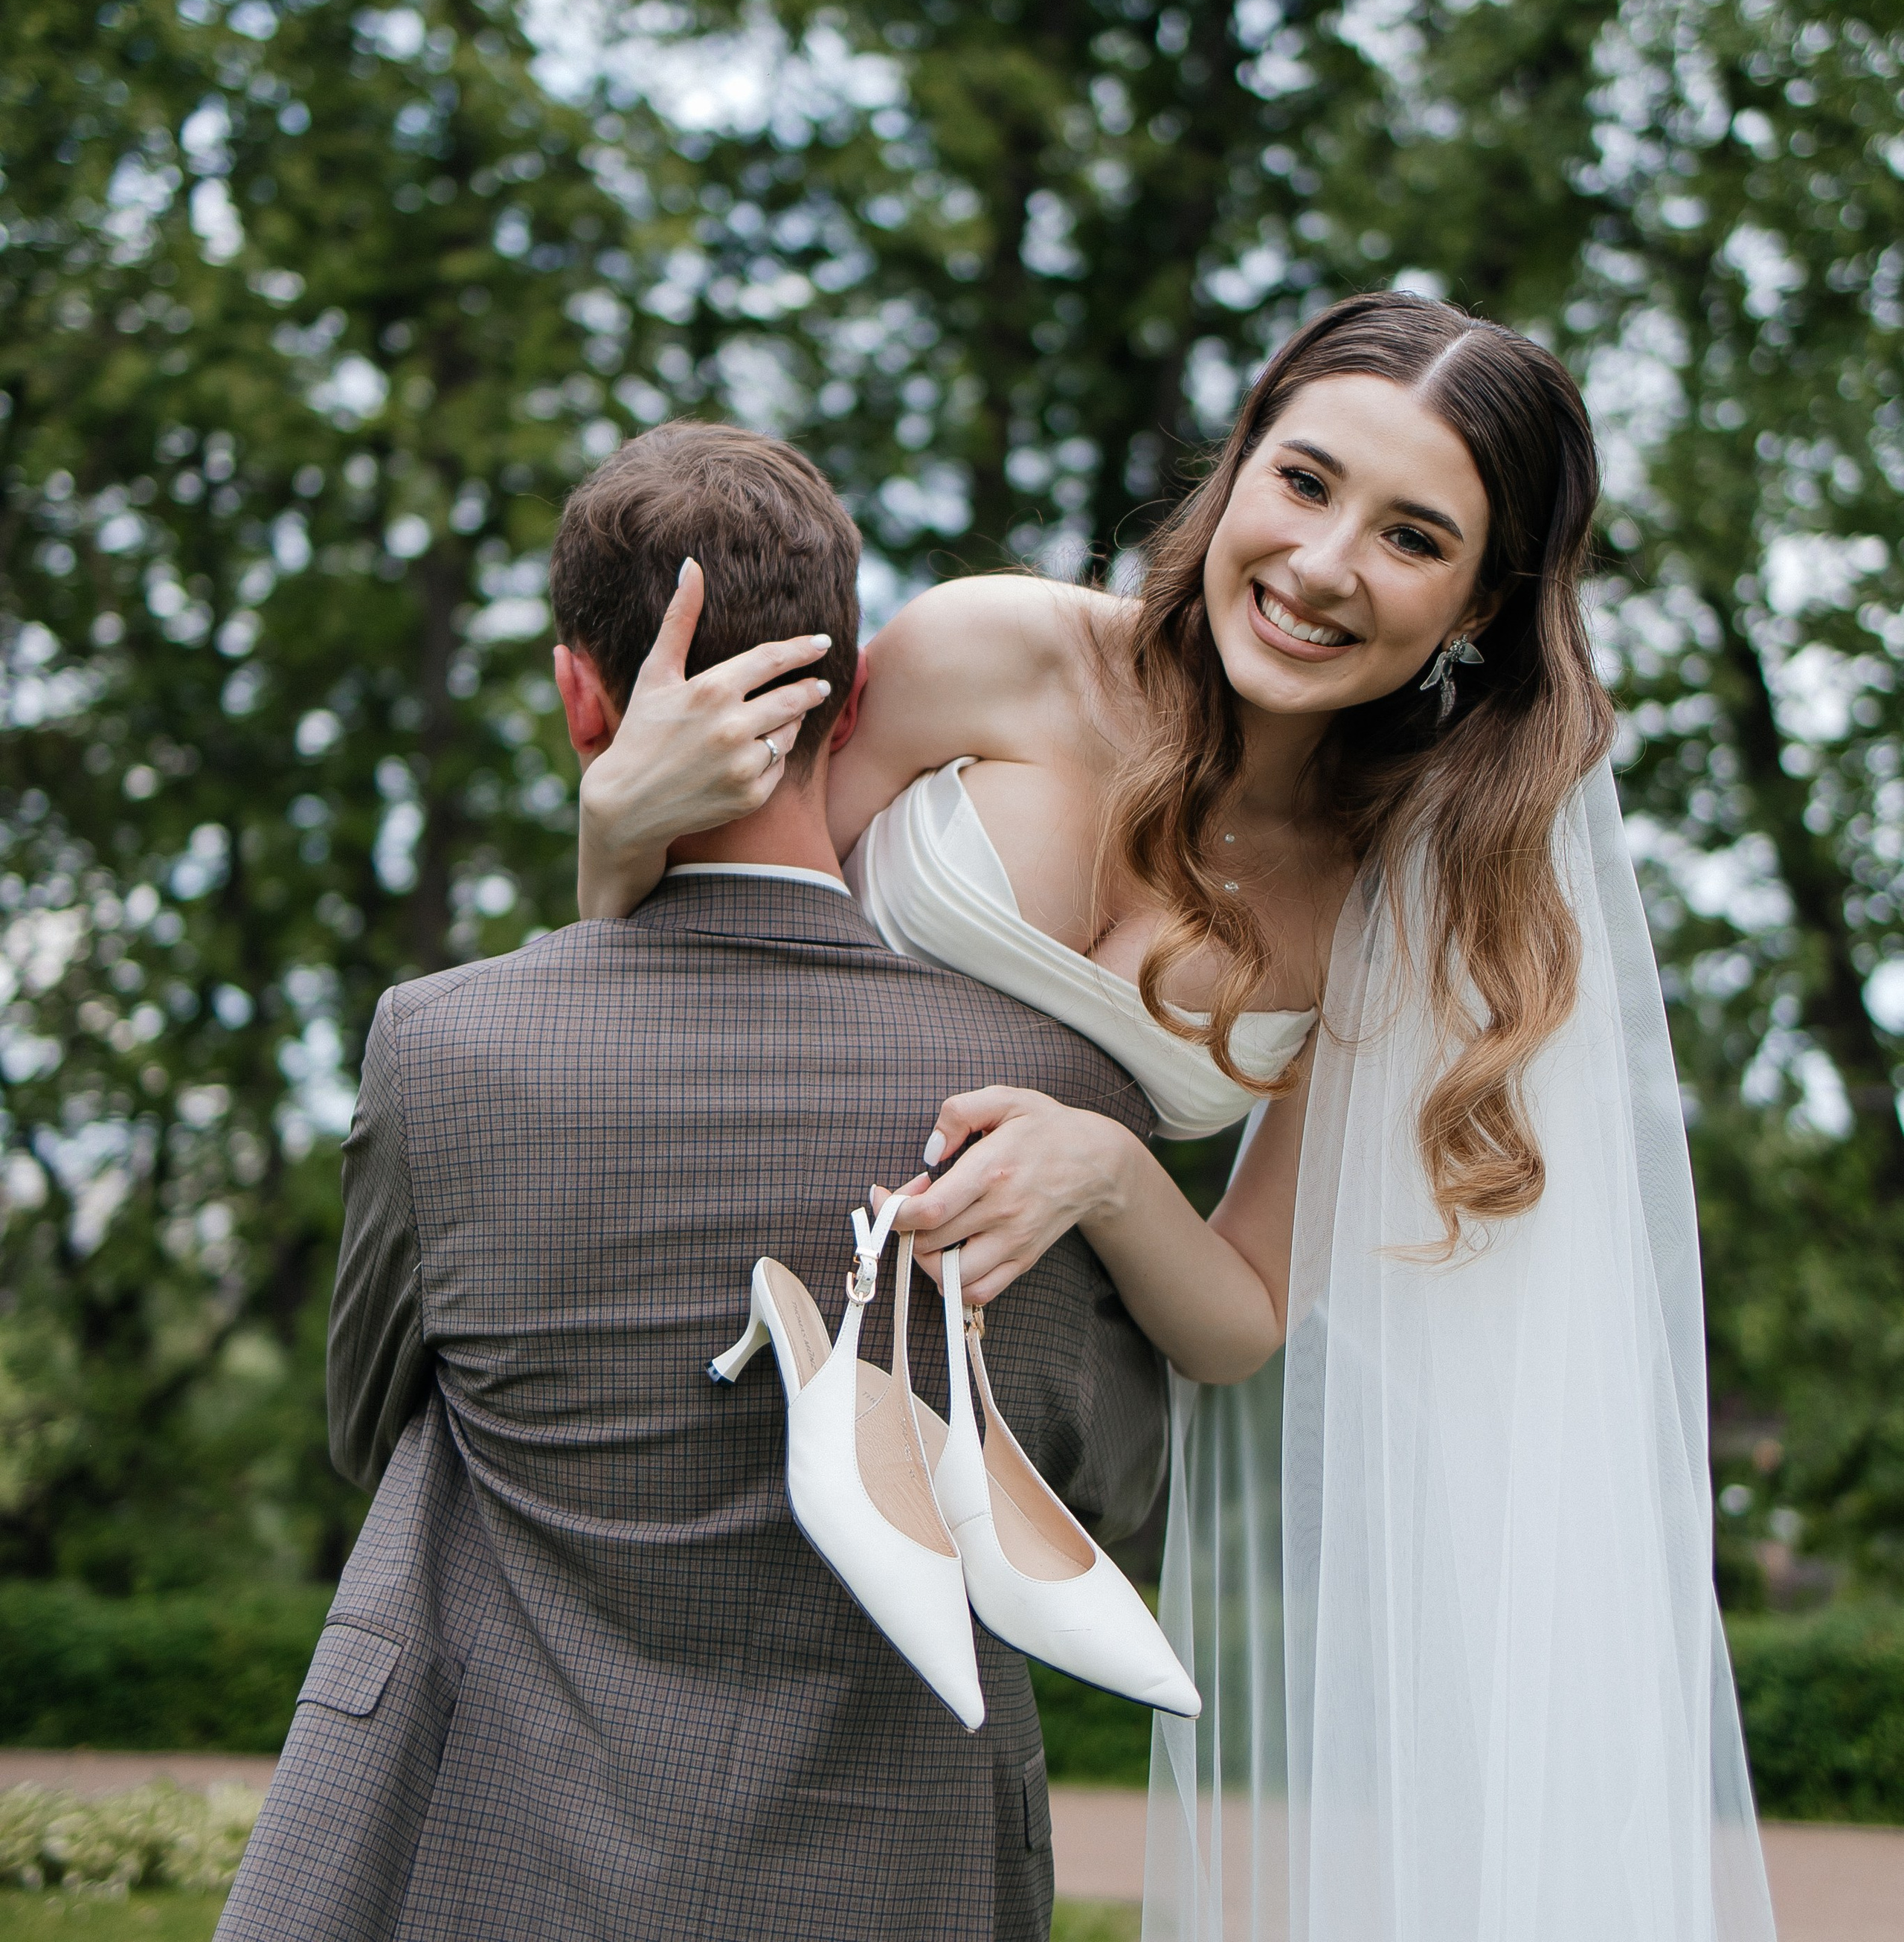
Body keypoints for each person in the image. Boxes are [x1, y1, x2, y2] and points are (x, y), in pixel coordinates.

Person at [575, 293, 1779, 1942]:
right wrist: (604, 839)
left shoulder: (1387, 893)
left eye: (1411, 535)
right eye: (1302, 481)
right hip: (684, 1329)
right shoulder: (981, 646)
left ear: (1478, 608)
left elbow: (1238, 1324)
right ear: (1235, 469)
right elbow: (675, 962)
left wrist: (1111, 1168)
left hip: (975, 1453)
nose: (1322, 562)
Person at [216, 425, 1167, 1942]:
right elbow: (1104, 1496)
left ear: (577, 695)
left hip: (505, 1865)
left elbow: (364, 1420)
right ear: (853, 697)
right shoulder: (1048, 1094)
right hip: (901, 1880)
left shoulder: (443, 1048)